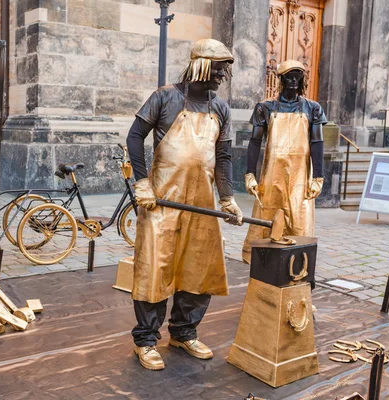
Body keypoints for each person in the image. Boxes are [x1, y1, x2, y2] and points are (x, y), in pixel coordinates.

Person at [126, 38, 243, 371]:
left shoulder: (220, 108)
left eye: (224, 70)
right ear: (202, 65)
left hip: (202, 202)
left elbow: (223, 156)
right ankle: (146, 340)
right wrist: (142, 182)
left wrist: (228, 197)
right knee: (154, 269)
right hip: (162, 200)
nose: (222, 76)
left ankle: (183, 332)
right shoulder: (165, 97)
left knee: (198, 268)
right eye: (219, 69)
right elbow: (135, 136)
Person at [242, 60, 327, 264]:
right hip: (272, 176)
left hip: (300, 178)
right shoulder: (265, 108)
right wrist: (249, 174)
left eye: (297, 76)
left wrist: (318, 177)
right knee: (267, 220)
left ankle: (299, 264)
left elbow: (317, 143)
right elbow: (254, 142)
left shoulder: (312, 108)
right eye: (288, 76)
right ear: (280, 79)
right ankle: (264, 265)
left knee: (299, 221)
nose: (293, 81)